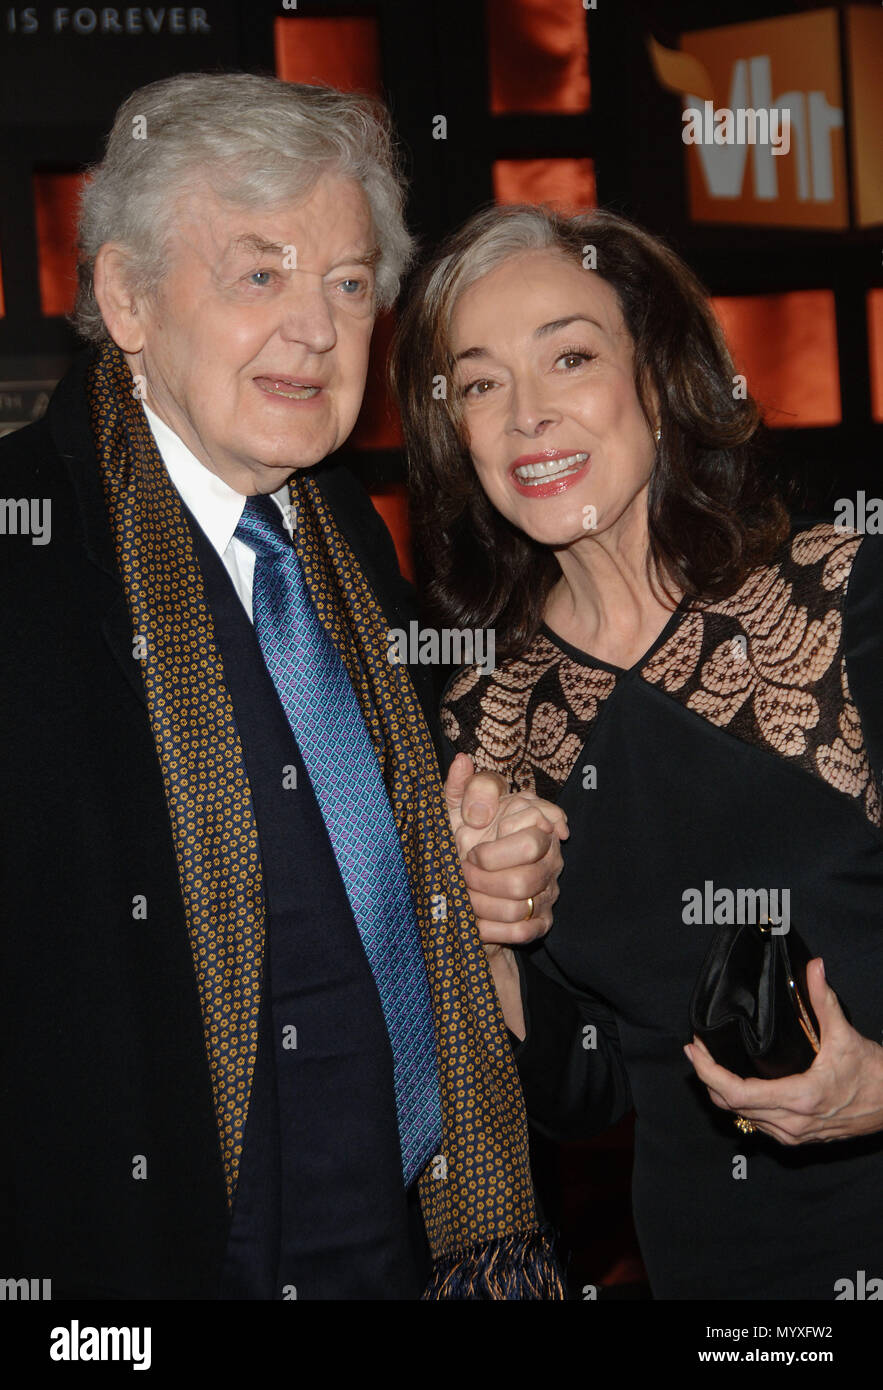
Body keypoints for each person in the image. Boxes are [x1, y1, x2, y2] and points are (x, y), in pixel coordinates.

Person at [0, 75, 570, 1301]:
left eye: (349, 283)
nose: (316, 327)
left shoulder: (346, 535)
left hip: (403, 1237)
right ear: (126, 297)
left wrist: (476, 865)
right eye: (260, 273)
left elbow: (373, 860)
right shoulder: (26, 557)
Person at [390, 202, 883, 1299]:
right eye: (479, 384)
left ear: (656, 382)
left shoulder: (845, 600)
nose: (527, 414)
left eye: (568, 357)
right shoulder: (482, 720)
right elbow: (585, 1093)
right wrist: (487, 937)